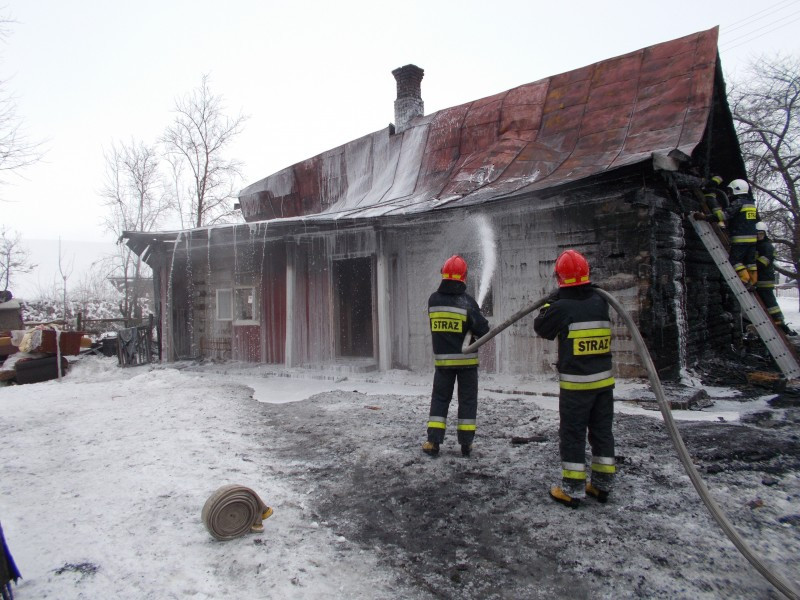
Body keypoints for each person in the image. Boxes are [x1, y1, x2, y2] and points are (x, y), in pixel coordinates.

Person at [533, 250, 615, 508]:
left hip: (577, 385)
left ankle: (572, 488)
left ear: (559, 277)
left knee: (572, 434)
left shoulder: (562, 306)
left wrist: (550, 304)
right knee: (602, 432)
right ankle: (601, 486)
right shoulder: (600, 301)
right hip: (603, 384)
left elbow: (542, 327)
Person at [423, 255, 490, 458]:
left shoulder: (433, 300)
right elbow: (483, 329)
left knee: (440, 400)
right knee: (467, 401)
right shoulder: (467, 302)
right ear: (464, 277)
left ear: (444, 274)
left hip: (443, 363)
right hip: (467, 363)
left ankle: (433, 442)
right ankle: (466, 445)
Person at [755, 222, 797, 336]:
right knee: (765, 301)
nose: (758, 235)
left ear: (765, 234)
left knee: (769, 301)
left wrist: (751, 266)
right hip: (759, 278)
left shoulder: (767, 246)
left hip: (764, 279)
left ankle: (779, 320)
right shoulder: (757, 245)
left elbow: (764, 261)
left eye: (761, 233)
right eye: (757, 233)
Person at [722, 179, 759, 289]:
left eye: (731, 190)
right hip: (752, 240)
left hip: (740, 239)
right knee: (750, 262)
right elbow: (756, 219)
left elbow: (725, 215)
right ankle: (753, 281)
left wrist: (709, 217)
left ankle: (744, 279)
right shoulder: (751, 204)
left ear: (736, 190)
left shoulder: (738, 203)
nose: (729, 193)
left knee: (735, 261)